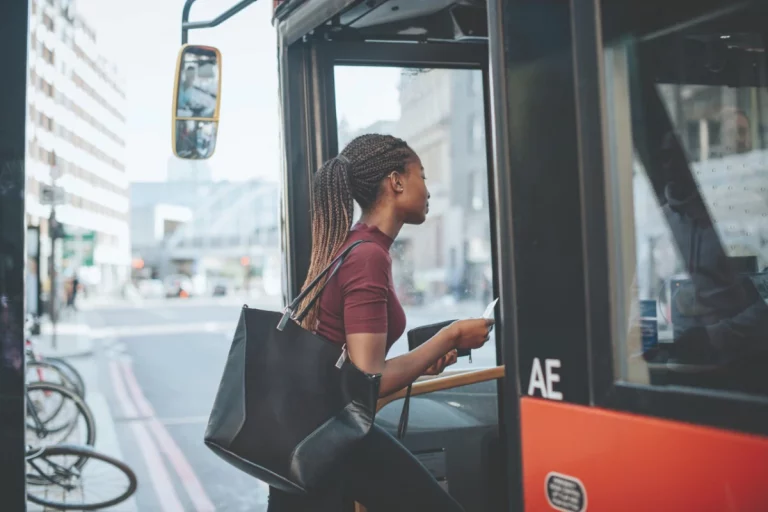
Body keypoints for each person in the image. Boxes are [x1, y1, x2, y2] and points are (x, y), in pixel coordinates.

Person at [266, 134, 493, 512]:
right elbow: (369, 377)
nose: (428, 188)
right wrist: (450, 334)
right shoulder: (368, 256)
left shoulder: (359, 246)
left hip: (322, 434)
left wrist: (424, 360)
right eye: (421, 174)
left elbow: (360, 372)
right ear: (396, 181)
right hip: (330, 439)